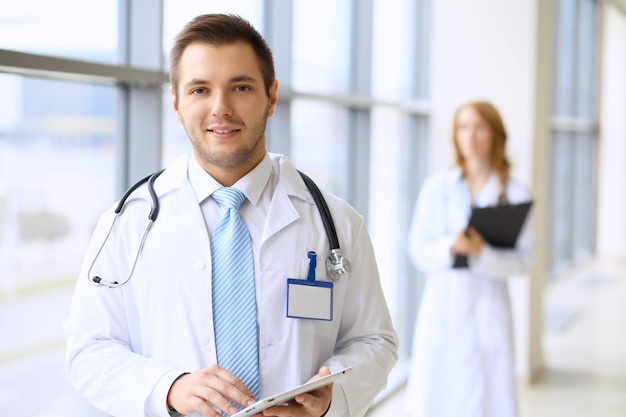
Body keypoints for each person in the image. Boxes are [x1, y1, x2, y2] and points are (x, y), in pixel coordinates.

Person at [64, 13, 398, 417]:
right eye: (200, 89)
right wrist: (170, 387)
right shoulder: (128, 222)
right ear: (176, 103)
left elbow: (375, 341)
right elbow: (88, 349)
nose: (220, 109)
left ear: (271, 97)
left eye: (240, 87)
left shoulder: (337, 223)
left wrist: (331, 400)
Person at [404, 101, 532, 417]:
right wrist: (452, 245)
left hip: (489, 310)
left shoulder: (515, 193)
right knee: (438, 396)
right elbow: (418, 251)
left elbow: (523, 262)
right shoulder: (437, 187)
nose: (469, 135)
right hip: (443, 307)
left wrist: (481, 253)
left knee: (488, 398)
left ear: (495, 135)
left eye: (479, 127)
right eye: (462, 127)